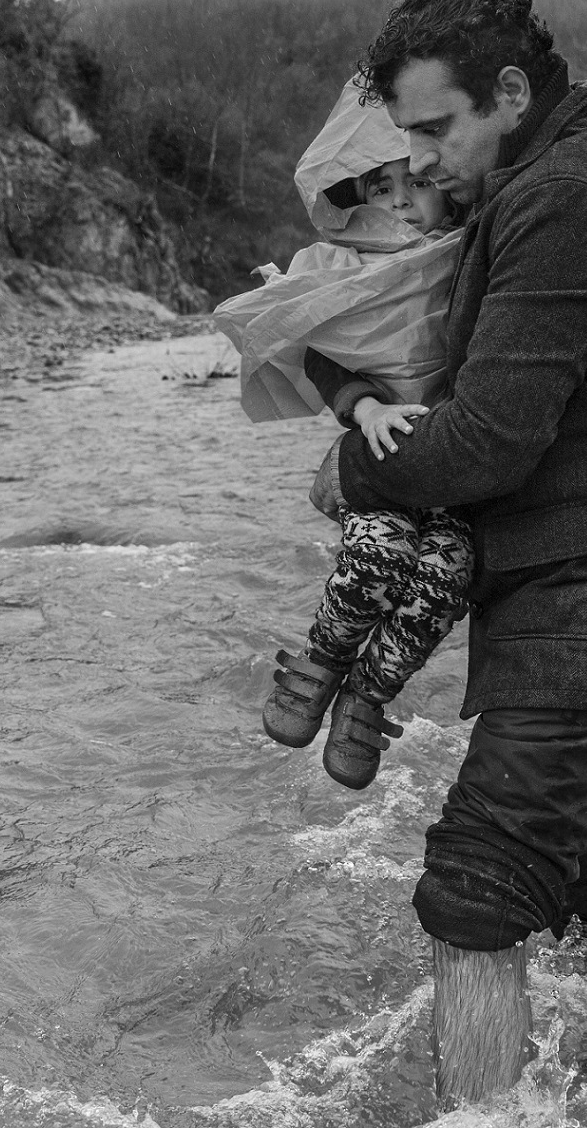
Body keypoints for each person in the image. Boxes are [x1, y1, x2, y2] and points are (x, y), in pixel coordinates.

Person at [305, 0, 587, 1108]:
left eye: (439, 129)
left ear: (509, 90)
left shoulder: (568, 198)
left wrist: (346, 469)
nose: (428, 158)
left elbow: (487, 442)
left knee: (474, 891)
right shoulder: (543, 179)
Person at [213, 81, 473, 792]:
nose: (397, 199)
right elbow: (327, 357)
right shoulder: (346, 270)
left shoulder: (467, 251)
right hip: (383, 456)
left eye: (413, 183)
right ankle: (320, 664)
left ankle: (366, 698)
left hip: (459, 471)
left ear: (443, 186)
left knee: (446, 576)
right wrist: (364, 411)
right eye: (380, 185)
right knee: (378, 550)